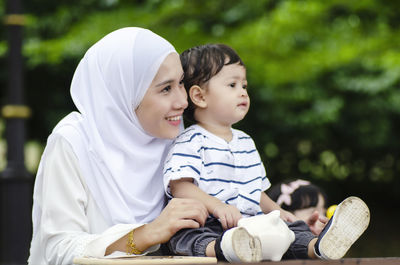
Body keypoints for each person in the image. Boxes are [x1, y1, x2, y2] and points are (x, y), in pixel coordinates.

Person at [163, 44, 370, 262]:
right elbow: (180, 186)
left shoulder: (245, 141)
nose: (243, 92)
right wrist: (217, 207)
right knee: (187, 234)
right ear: (199, 96)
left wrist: (278, 211)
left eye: (244, 85)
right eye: (232, 85)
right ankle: (226, 248)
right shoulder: (190, 140)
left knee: (289, 229)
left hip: (252, 223)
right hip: (211, 221)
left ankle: (319, 245)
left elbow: (256, 191)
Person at [28, 27, 209, 265]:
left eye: (181, 83)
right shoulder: (75, 142)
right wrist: (144, 235)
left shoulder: (179, 141)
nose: (183, 101)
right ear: (125, 92)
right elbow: (58, 249)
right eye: (166, 88)